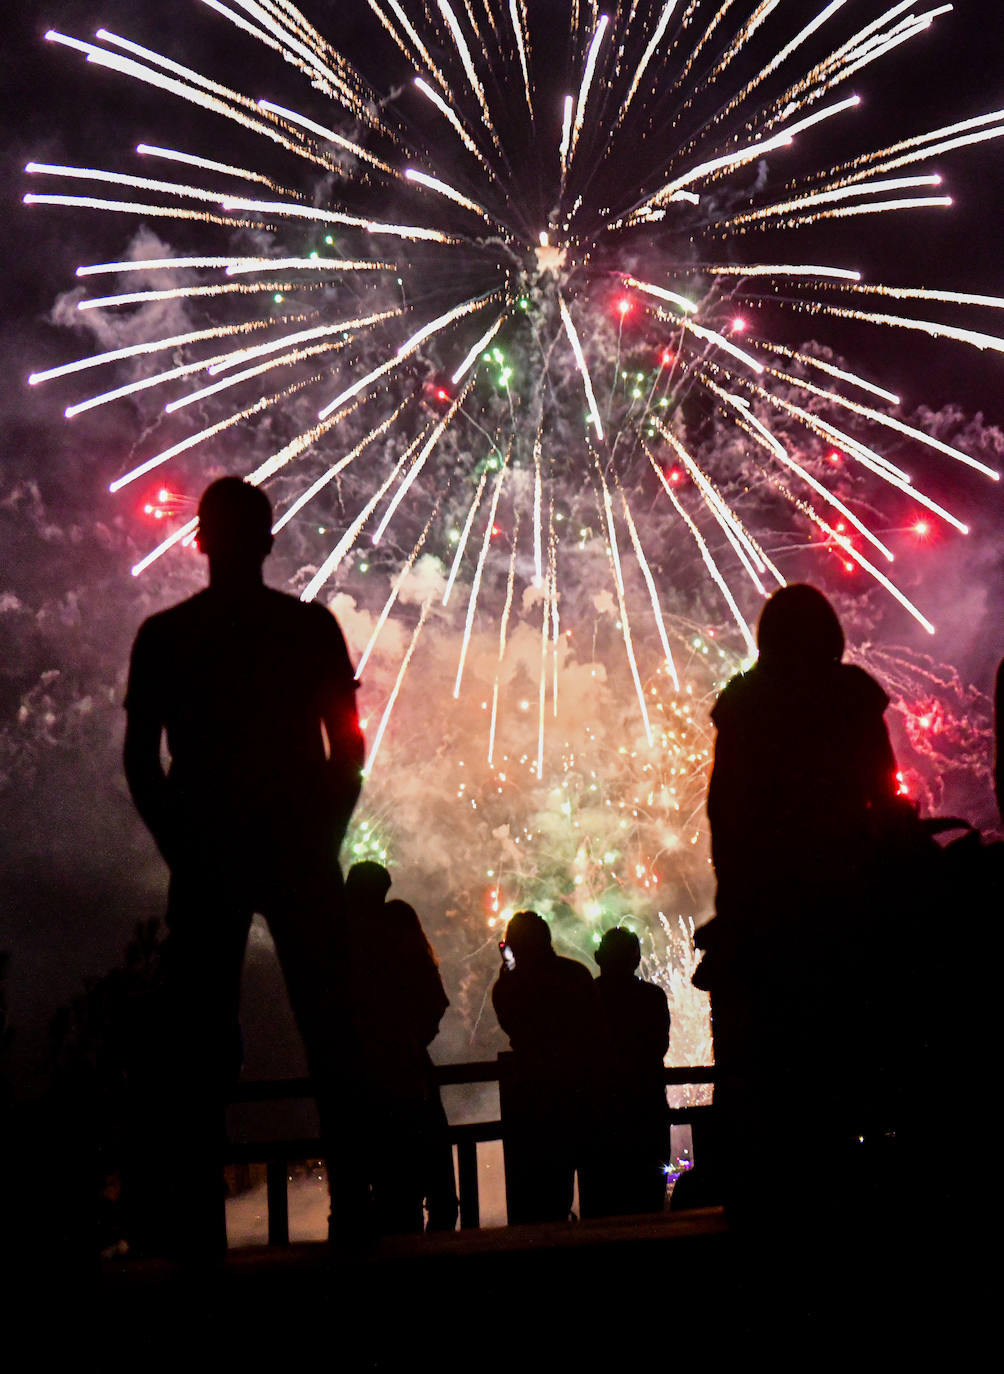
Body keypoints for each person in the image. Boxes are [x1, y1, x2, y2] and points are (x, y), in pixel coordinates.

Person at [123, 476, 365, 1255]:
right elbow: (348, 748)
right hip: (294, 846)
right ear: (268, 540)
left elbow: (140, 762)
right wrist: (321, 836)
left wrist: (179, 843)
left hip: (211, 850)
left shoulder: (166, 636)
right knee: (330, 1031)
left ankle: (196, 1230)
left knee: (197, 1045)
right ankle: (358, 1212)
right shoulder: (308, 628)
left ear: (199, 540)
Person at [698, 584, 908, 1219]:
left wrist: (736, 902)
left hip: (765, 917)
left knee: (769, 1083)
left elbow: (724, 817)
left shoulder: (743, 706)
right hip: (845, 908)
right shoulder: (851, 699)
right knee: (847, 1079)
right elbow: (885, 792)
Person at [343, 861, 458, 1234]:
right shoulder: (398, 928)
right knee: (430, 1183)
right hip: (409, 1072)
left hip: (363, 1076)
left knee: (386, 1190)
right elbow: (434, 1000)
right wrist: (412, 1038)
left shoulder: (342, 940)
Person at [492, 911, 602, 1223]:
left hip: (534, 1098)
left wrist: (508, 971)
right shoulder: (576, 974)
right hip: (582, 1093)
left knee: (543, 1197)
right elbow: (596, 1031)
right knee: (597, 1191)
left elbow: (511, 1022)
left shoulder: (511, 986)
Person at [583, 927, 671, 1217]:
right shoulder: (653, 997)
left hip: (599, 1115)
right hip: (647, 1111)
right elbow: (658, 1047)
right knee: (649, 1203)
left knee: (602, 1207)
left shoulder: (586, 999)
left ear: (597, 958)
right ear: (637, 959)